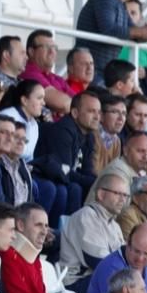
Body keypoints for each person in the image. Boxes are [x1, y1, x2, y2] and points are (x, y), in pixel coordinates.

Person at [33, 90, 101, 221]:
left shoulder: (89, 136)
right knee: (74, 189)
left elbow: (87, 171)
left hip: (60, 179)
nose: (97, 116)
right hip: (43, 174)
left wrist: (99, 182)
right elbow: (64, 173)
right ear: (75, 113)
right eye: (91, 111)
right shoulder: (63, 130)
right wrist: (97, 183)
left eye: (99, 112)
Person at [59, 173, 129, 293]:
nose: (122, 199)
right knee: (122, 282)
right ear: (101, 194)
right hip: (76, 283)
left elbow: (123, 260)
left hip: (98, 278)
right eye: (118, 193)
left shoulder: (114, 225)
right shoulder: (86, 216)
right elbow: (100, 262)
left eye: (125, 195)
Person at [0, 79, 44, 161]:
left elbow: (29, 158)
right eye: (39, 98)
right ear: (24, 100)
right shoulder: (5, 117)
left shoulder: (34, 125)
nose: (43, 103)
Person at [93, 93, 126, 174]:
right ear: (101, 116)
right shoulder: (92, 136)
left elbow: (113, 171)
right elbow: (92, 171)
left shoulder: (117, 140)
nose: (121, 118)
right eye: (115, 112)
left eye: (124, 113)